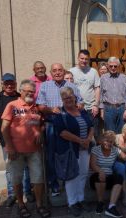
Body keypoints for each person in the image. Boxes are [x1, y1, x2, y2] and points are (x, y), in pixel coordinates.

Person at [1, 79, 50, 218]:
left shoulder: (36, 107)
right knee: (16, 179)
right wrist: (9, 147)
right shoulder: (12, 105)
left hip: (34, 150)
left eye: (32, 92)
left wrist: (40, 131)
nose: (30, 93)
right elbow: (4, 128)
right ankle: (21, 205)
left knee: (38, 178)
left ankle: (39, 205)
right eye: (27, 91)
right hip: (16, 151)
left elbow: (41, 123)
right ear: (21, 91)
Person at [37, 63, 83, 196]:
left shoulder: (72, 86)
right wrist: (51, 110)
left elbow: (80, 102)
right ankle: (54, 184)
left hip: (70, 123)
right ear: (51, 73)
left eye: (60, 70)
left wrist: (79, 106)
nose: (57, 73)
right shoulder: (45, 86)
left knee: (70, 152)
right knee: (51, 155)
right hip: (52, 124)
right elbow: (40, 106)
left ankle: (70, 180)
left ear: (64, 72)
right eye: (55, 71)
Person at [0, 73, 33, 207]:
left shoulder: (22, 98)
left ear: (15, 84)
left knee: (25, 167)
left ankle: (27, 192)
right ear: (2, 84)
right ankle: (12, 194)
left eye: (12, 83)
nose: (9, 85)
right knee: (10, 169)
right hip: (6, 142)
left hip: (24, 141)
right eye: (6, 83)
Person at [53, 87, 94, 217]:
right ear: (62, 100)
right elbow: (62, 132)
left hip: (85, 149)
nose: (68, 99)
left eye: (70, 96)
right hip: (71, 150)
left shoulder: (82, 111)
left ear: (74, 97)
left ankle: (81, 199)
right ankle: (72, 203)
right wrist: (80, 141)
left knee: (83, 174)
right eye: (65, 97)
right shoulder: (60, 114)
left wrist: (87, 139)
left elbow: (91, 126)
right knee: (72, 176)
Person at [89, 131, 124, 218]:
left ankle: (111, 207)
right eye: (106, 140)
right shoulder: (95, 149)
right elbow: (92, 165)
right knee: (99, 177)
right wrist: (100, 171)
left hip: (109, 177)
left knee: (119, 177)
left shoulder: (115, 149)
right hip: (96, 177)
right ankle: (100, 202)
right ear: (101, 140)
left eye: (111, 141)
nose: (108, 143)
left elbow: (125, 156)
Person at [70, 49, 101, 141]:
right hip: (77, 108)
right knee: (78, 132)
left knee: (94, 133)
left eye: (86, 59)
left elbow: (97, 88)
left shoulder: (93, 71)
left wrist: (96, 105)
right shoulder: (71, 71)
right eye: (82, 58)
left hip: (91, 108)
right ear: (78, 58)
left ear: (89, 60)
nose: (84, 61)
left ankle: (93, 154)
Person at [99, 56, 126, 133]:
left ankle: (119, 145)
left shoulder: (123, 78)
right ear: (107, 66)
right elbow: (101, 95)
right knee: (110, 133)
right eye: (111, 66)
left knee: (121, 132)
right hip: (108, 109)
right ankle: (111, 145)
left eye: (115, 66)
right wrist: (101, 110)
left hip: (121, 109)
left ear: (118, 66)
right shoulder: (103, 78)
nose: (113, 68)